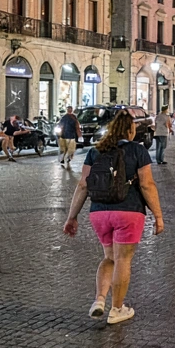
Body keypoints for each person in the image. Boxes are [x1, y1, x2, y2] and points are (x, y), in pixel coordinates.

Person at [62, 110, 164, 325]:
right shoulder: (138, 150)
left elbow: (83, 185)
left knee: (109, 258)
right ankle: (117, 309)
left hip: (99, 212)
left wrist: (72, 216)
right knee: (123, 260)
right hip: (129, 211)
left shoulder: (95, 151)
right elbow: (146, 184)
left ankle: (99, 300)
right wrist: (158, 215)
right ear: (130, 129)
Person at [57, 106, 82, 171]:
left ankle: (65, 158)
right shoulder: (71, 117)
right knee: (68, 148)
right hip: (68, 135)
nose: (69, 110)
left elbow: (77, 127)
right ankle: (66, 158)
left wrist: (79, 135)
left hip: (68, 135)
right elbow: (77, 127)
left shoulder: (69, 117)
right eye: (69, 109)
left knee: (68, 148)